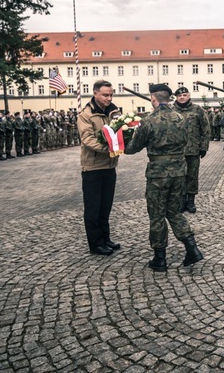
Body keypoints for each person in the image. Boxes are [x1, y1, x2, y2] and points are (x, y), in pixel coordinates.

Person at [125, 83, 204, 271]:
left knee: (157, 215)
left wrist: (120, 142)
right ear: (169, 98)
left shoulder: (149, 120)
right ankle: (192, 248)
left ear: (153, 98)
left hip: (158, 174)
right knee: (174, 211)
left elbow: (134, 147)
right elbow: (187, 140)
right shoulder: (181, 117)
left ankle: (159, 259)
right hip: (179, 170)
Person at [77, 80, 122, 256]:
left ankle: (105, 238)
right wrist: (109, 148)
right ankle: (95, 244)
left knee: (106, 206)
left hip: (110, 165)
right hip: (93, 167)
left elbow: (120, 131)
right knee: (93, 208)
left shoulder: (114, 112)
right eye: (105, 95)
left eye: (111, 95)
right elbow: (87, 139)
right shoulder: (86, 115)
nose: (108, 98)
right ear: (95, 93)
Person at [172, 86, 210, 213]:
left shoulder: (197, 110)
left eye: (184, 95)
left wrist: (204, 147)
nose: (182, 98)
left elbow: (205, 128)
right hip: (176, 151)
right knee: (179, 177)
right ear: (176, 97)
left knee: (192, 176)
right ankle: (181, 201)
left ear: (189, 96)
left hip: (193, 150)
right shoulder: (171, 110)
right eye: (179, 96)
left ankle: (191, 201)